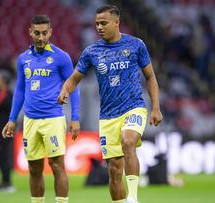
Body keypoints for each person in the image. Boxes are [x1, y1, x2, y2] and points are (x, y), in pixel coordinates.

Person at [58, 5, 163, 203]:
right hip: (107, 116)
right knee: (114, 170)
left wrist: (155, 107)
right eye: (97, 23)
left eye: (103, 23)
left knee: (129, 141)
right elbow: (74, 78)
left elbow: (150, 76)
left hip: (134, 107)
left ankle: (133, 198)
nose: (99, 27)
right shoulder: (91, 52)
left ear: (116, 23)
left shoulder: (136, 45)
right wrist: (64, 90)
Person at [2, 15, 80, 203]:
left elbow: (73, 88)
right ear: (30, 32)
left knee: (57, 165)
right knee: (34, 167)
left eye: (44, 33)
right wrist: (12, 119)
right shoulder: (23, 59)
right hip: (30, 121)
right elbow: (20, 89)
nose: (41, 37)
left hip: (53, 119)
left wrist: (75, 117)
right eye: (37, 33)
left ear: (50, 32)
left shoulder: (61, 57)